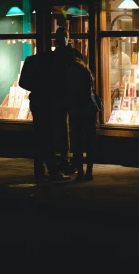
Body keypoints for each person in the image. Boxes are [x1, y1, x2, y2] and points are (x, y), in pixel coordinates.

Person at [18, 48, 71, 182]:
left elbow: (22, 82)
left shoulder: (31, 61)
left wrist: (36, 88)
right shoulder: (54, 62)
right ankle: (52, 170)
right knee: (50, 137)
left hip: (37, 102)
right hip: (50, 103)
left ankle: (39, 170)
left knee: (39, 136)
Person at [53, 26, 84, 174]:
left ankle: (69, 159)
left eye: (62, 37)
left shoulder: (57, 55)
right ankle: (70, 159)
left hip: (65, 95)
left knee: (67, 128)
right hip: (68, 96)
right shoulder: (72, 54)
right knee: (67, 128)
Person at [65, 50, 99, 181]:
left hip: (77, 110)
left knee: (77, 141)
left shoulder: (68, 73)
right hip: (89, 109)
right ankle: (89, 171)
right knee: (90, 141)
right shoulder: (85, 71)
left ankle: (80, 171)